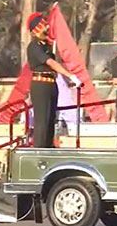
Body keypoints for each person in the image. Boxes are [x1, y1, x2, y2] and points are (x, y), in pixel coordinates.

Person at [26, 12, 81, 148]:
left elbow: (54, 67)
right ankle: (39, 149)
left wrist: (69, 82)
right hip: (41, 84)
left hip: (51, 84)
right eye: (43, 24)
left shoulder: (47, 46)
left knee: (51, 119)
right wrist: (70, 75)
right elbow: (50, 63)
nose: (47, 26)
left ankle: (48, 146)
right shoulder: (34, 46)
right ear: (37, 28)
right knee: (42, 121)